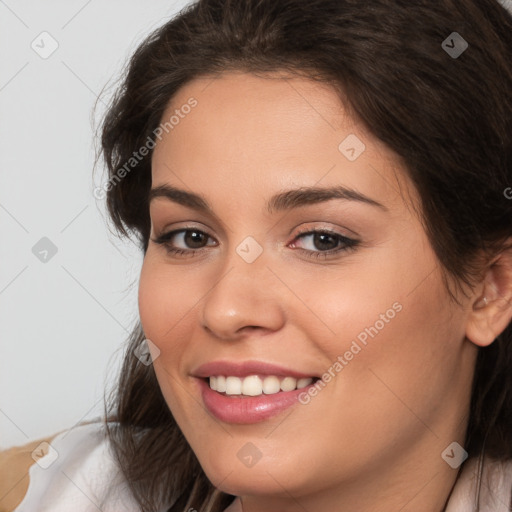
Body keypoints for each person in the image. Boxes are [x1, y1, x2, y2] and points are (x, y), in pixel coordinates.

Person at [2, 0, 512, 511]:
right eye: (190, 237)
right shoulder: (33, 491)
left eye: (321, 239)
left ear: (492, 288)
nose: (226, 310)